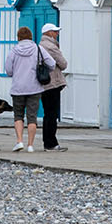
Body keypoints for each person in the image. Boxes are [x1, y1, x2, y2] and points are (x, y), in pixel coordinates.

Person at [5, 25, 45, 152]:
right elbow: (51, 63)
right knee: (32, 117)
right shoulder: (38, 49)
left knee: (18, 116)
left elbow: (8, 70)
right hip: (34, 88)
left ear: (18, 37)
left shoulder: (13, 51)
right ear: (31, 37)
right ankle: (31, 145)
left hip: (18, 88)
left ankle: (19, 141)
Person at [36, 22, 68, 152]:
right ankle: (51, 143)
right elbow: (63, 64)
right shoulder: (51, 47)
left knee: (47, 114)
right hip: (52, 83)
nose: (57, 33)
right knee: (51, 114)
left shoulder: (40, 45)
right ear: (48, 33)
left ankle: (48, 142)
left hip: (44, 84)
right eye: (55, 31)